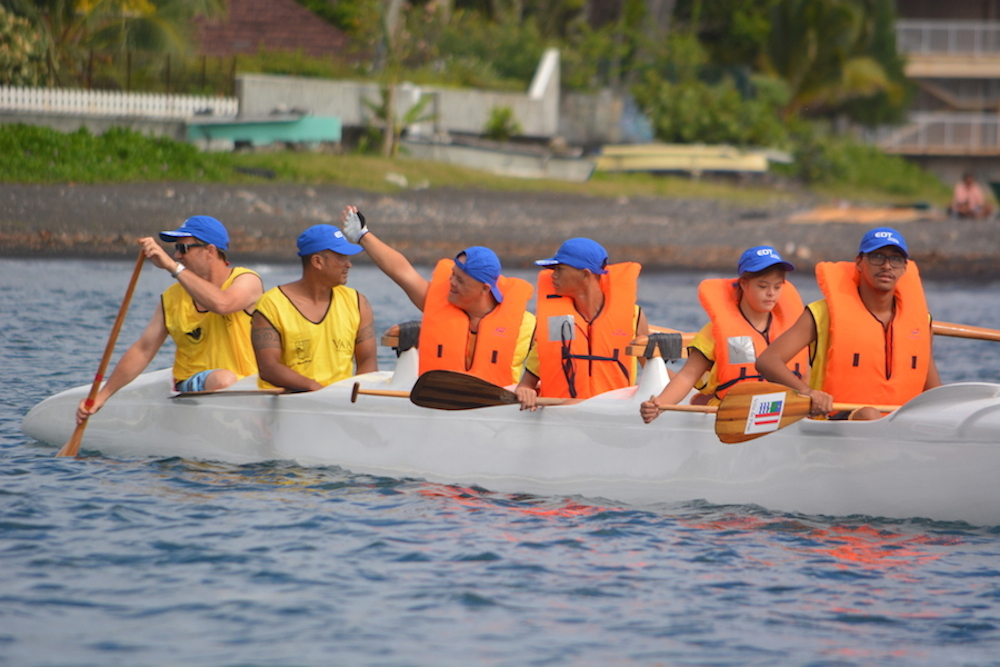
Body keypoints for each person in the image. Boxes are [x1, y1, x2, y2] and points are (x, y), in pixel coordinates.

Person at [76, 215, 264, 423]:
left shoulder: (246, 280)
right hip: (193, 384)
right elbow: (143, 350)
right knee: (224, 379)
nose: (176, 256)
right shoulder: (171, 298)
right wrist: (102, 397)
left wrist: (172, 268)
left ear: (210, 251)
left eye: (183, 249)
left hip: (249, 386)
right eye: (175, 249)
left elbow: (223, 304)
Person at [756, 227, 941, 420]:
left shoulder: (921, 322)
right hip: (836, 421)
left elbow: (934, 391)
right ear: (859, 263)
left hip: (899, 426)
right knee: (869, 415)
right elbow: (768, 360)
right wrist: (807, 392)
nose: (886, 266)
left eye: (895, 259)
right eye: (877, 257)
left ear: (904, 268)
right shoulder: (822, 314)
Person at [339, 206, 534, 387]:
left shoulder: (524, 325)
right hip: (438, 405)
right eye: (452, 275)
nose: (452, 283)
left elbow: (549, 363)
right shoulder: (436, 302)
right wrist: (363, 235)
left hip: (496, 413)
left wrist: (530, 389)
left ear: (484, 289)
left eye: (460, 280)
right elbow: (402, 272)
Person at [640, 246, 809, 423]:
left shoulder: (793, 329)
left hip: (783, 411)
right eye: (763, 286)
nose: (771, 293)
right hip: (732, 415)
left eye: (777, 287)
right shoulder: (715, 331)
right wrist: (659, 405)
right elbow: (687, 376)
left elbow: (805, 375)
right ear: (743, 283)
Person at [515, 238, 649, 409]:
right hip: (562, 415)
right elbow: (528, 381)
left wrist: (689, 386)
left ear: (585, 274)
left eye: (560, 269)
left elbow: (654, 372)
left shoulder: (633, 318)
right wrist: (525, 391)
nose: (553, 276)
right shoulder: (558, 320)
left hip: (613, 415)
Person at [251, 225, 377, 391]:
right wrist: (317, 390)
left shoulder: (358, 302)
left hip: (339, 400)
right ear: (317, 261)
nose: (349, 265)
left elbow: (368, 360)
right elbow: (269, 368)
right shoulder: (271, 305)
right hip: (291, 400)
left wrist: (358, 393)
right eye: (341, 257)